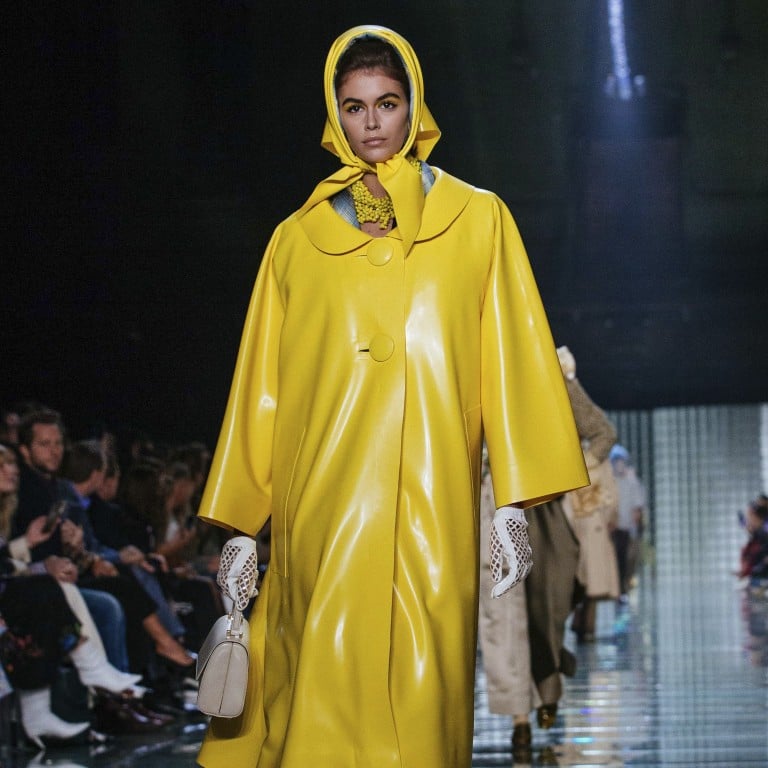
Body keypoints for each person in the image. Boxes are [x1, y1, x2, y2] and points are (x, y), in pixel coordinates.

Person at [196, 25, 588, 768]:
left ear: (414, 107)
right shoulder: (296, 241)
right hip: (325, 502)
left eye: (387, 103)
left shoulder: (478, 220)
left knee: (423, 689)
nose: (372, 122)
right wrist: (242, 525)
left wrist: (514, 502)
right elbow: (263, 386)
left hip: (433, 502)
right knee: (321, 676)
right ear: (334, 115)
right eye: (354, 106)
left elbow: (511, 358)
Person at [478, 346, 617, 759]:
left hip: (546, 509)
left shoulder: (552, 375)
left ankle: (549, 683)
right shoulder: (476, 378)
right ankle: (519, 719)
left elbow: (602, 432)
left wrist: (570, 471)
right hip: (494, 507)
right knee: (502, 615)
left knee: (548, 610)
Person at [609, 443, 647, 600]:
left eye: (621, 461)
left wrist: (635, 527)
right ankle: (616, 589)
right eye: (616, 462)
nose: (619, 465)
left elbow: (638, 507)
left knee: (627, 559)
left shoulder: (632, 482)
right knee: (614, 559)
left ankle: (623, 589)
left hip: (627, 528)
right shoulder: (610, 482)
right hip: (613, 527)